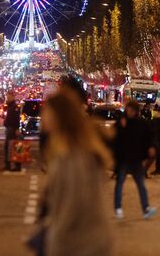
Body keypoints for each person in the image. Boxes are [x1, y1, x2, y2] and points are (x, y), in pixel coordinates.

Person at [28, 89, 113, 256]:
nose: (43, 116)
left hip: (76, 243)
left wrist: (55, 239)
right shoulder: (80, 151)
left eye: (47, 112)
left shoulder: (70, 158)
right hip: (92, 240)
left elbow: (71, 205)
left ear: (59, 116)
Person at [114, 100, 157, 219]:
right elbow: (115, 139)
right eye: (128, 110)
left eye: (132, 110)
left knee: (141, 184)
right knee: (119, 184)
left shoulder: (141, 124)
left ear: (136, 112)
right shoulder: (122, 123)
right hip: (124, 159)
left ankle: (146, 208)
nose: (129, 112)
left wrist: (152, 147)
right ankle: (118, 208)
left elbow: (150, 136)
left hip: (136, 159)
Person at [3, 90, 22, 172]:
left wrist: (17, 128)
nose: (7, 98)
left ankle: (16, 165)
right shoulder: (10, 106)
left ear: (12, 97)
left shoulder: (14, 107)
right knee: (9, 147)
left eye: (8, 96)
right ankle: (8, 165)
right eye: (7, 96)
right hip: (9, 128)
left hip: (12, 129)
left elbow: (17, 118)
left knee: (13, 147)